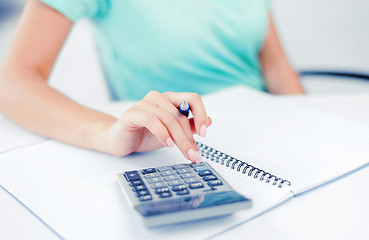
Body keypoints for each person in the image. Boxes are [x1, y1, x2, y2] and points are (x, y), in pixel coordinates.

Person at [0, 0, 304, 163]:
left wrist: (314, 126)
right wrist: (107, 132)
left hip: (265, 137)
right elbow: (12, 82)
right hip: (177, 152)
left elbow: (276, 66)